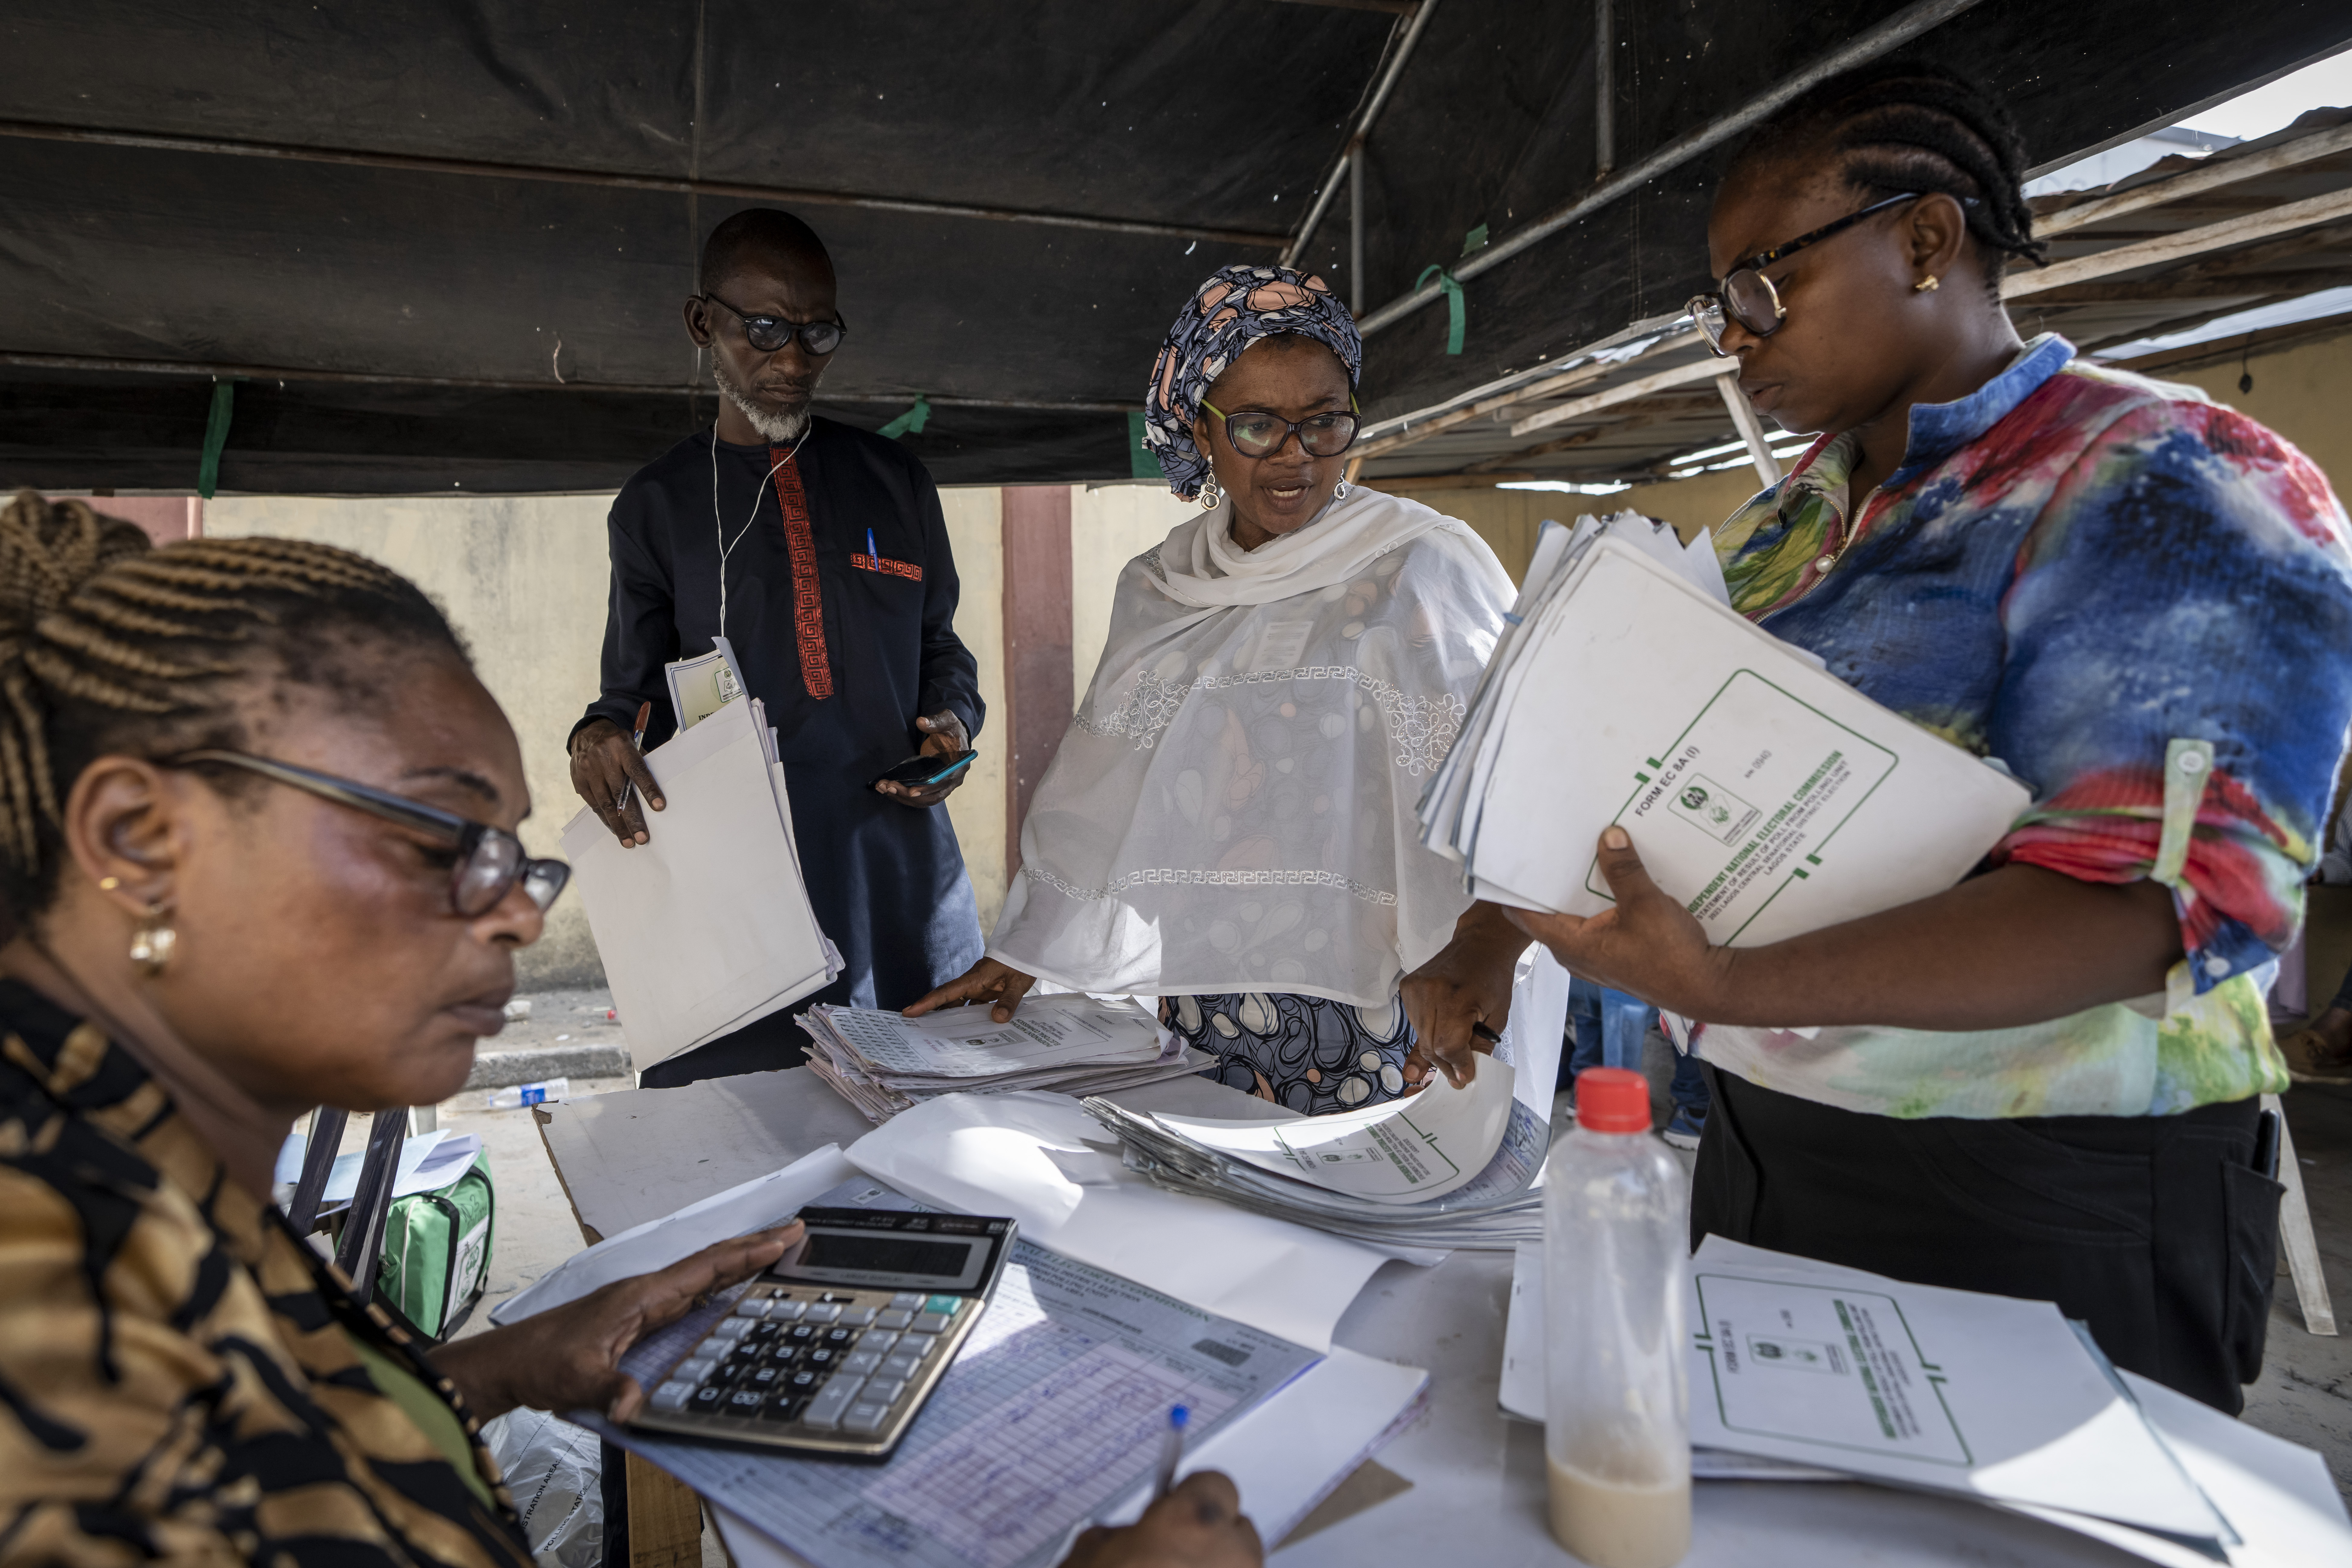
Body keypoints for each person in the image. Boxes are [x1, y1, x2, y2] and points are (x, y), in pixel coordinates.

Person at [0, 491, 1259, 1568]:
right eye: (440, 836)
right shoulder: (72, 1359)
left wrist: (488, 1371)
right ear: (137, 839)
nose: (516, 907)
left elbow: (270, 1423)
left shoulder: (121, 1172)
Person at [1410, 60, 2352, 1413]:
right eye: (1718, 304)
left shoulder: (2167, 481)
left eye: (1760, 284)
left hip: (2054, 1179)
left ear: (1923, 239)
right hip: (1767, 1139)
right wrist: (1492, 934)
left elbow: (2156, 911)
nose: (1735, 337)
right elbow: (1628, 775)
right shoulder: (1791, 525)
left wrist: (1726, 983)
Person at [906, 265, 1523, 1112]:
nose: (1295, 457)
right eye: (1257, 426)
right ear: (1200, 430)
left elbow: (1520, 787)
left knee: (1358, 1227)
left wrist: (1486, 948)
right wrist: (1029, 948)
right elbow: (1107, 785)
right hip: (1197, 994)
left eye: (1324, 423)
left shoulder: (1420, 569)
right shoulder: (1163, 585)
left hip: (1391, 998)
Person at [570, 208, 985, 1085]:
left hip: (897, 873)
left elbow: (942, 651)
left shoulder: (896, 482)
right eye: (764, 330)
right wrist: (596, 737)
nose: (793, 360)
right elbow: (630, 695)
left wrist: (952, 722)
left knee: (935, 1148)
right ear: (702, 325)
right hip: (742, 895)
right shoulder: (656, 507)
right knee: (748, 1156)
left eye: (816, 333)